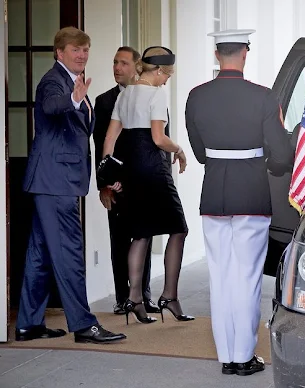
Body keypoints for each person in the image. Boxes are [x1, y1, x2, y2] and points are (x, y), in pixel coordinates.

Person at [185, 29, 293, 376]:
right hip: (251, 193)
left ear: (217, 54)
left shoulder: (196, 96)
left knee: (221, 276)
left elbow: (201, 154)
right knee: (246, 277)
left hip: (214, 193)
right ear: (245, 53)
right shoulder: (264, 97)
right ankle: (243, 356)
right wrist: (270, 163)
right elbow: (281, 155)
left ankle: (227, 356)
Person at [15, 27, 126, 344]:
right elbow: (51, 106)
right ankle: (83, 324)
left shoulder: (73, 82)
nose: (82, 55)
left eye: (86, 50)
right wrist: (73, 99)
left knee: (40, 253)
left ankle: (28, 323)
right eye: (76, 50)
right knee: (70, 252)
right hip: (55, 181)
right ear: (59, 53)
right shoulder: (54, 81)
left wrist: (78, 97)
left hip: (54, 180)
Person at [101, 46, 194, 326]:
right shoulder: (156, 93)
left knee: (140, 234)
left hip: (130, 168)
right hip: (152, 167)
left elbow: (109, 141)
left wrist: (107, 176)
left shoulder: (125, 93)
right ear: (158, 71)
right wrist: (178, 149)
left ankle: (134, 299)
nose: (166, 81)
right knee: (179, 229)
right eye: (166, 75)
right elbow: (158, 138)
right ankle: (169, 296)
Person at [93, 46, 159, 316]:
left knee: (145, 237)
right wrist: (103, 184)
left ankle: (143, 295)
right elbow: (100, 144)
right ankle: (123, 298)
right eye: (114, 62)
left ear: (136, 67)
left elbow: (157, 142)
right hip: (118, 184)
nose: (117, 67)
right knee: (119, 240)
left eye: (122, 63)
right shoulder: (104, 101)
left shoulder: (153, 97)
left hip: (145, 181)